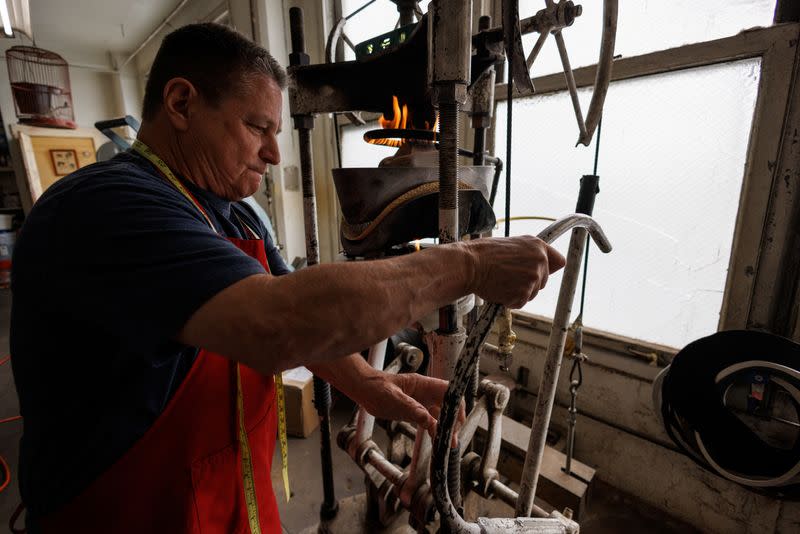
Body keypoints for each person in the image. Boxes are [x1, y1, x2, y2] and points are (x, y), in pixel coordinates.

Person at [9, 23, 565, 534]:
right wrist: (470, 264)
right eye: (257, 128)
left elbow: (307, 327)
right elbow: (277, 322)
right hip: (127, 512)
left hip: (228, 500)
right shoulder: (105, 206)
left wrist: (366, 385)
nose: (275, 153)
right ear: (181, 103)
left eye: (278, 131)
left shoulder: (237, 211)